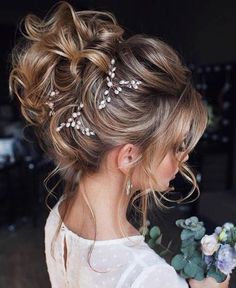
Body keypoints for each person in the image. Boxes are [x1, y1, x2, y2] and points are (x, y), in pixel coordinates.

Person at [8, 2, 230, 287]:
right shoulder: (146, 275)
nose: (184, 158)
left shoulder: (59, 217)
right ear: (128, 156)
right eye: (175, 146)